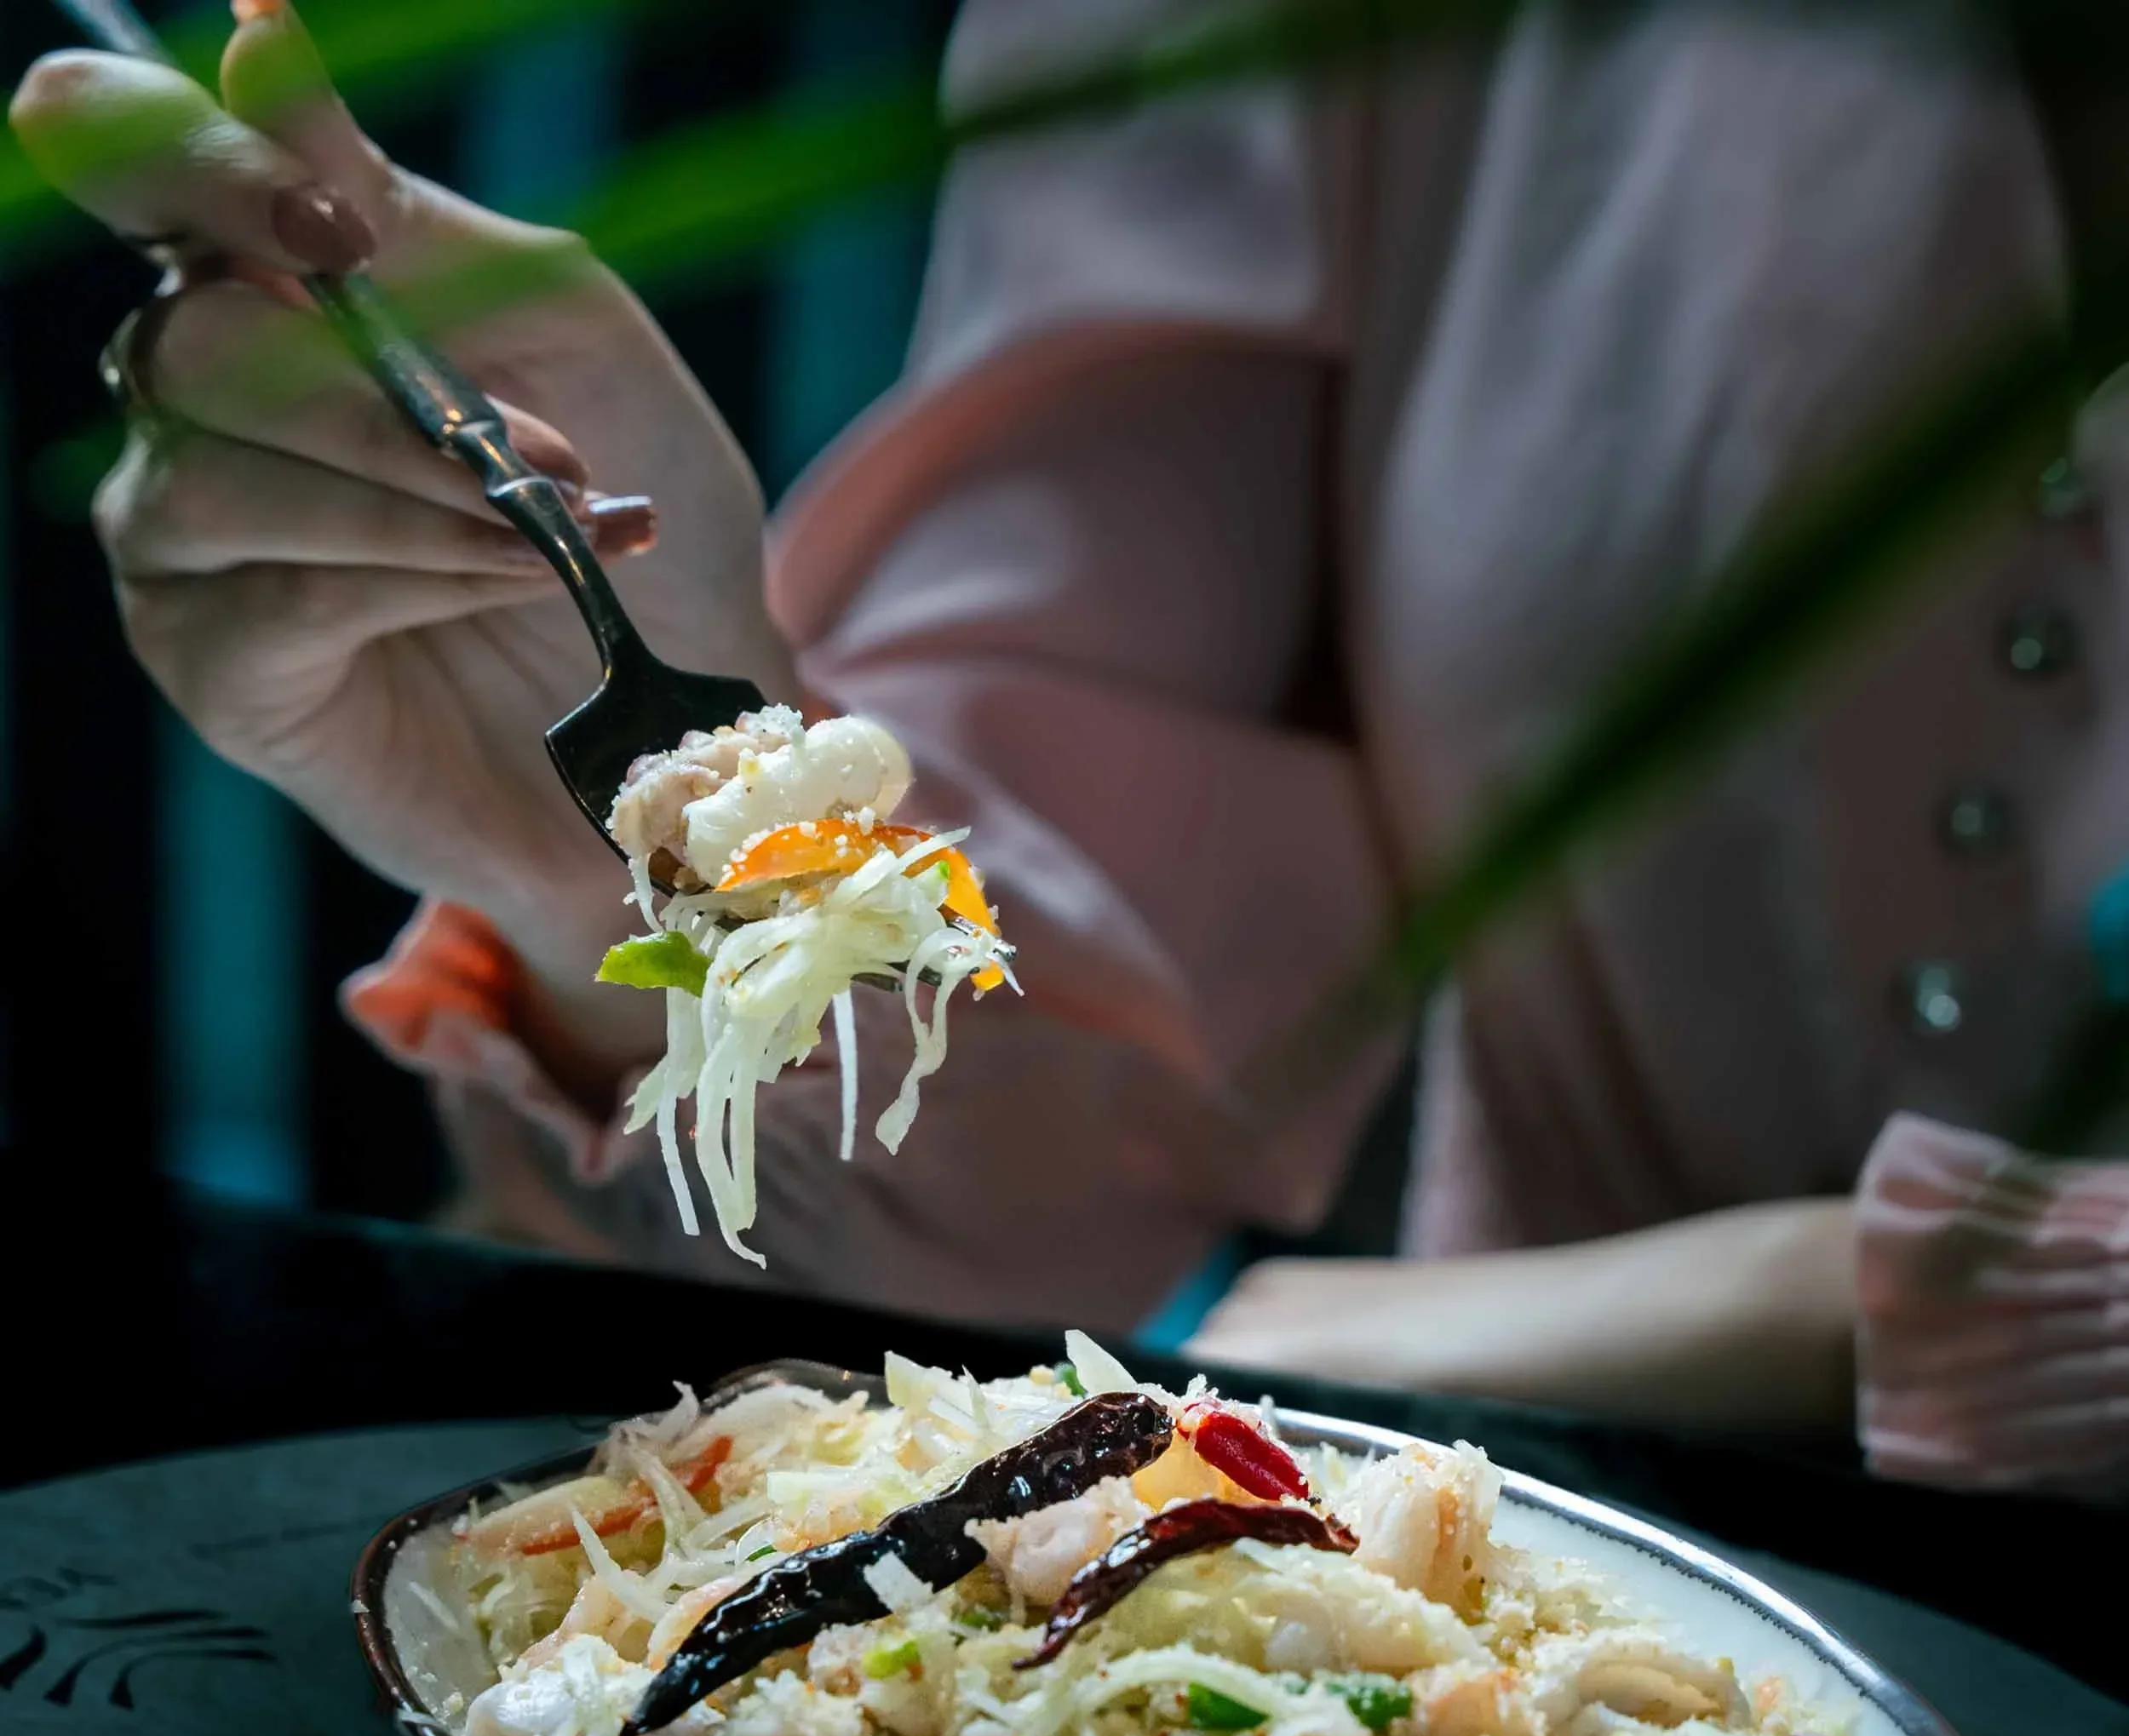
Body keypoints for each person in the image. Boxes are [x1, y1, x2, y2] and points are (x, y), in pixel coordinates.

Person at [13, 0, 2128, 1492]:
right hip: (1542, 1675)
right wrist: (635, 834)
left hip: (1476, 1461)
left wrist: (1837, 1302)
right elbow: (1012, 1221)